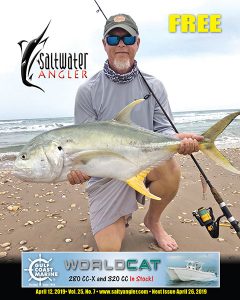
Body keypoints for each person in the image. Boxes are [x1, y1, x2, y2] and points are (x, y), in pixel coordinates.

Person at [67, 13, 203, 252]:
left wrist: (178, 142)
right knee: (109, 250)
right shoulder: (87, 91)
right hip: (107, 176)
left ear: (137, 43)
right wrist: (77, 169)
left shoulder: (154, 86)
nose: (121, 44)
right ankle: (116, 214)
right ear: (104, 44)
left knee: (169, 165)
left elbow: (162, 131)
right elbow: (81, 146)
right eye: (114, 38)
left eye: (128, 39)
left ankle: (153, 221)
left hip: (143, 165)